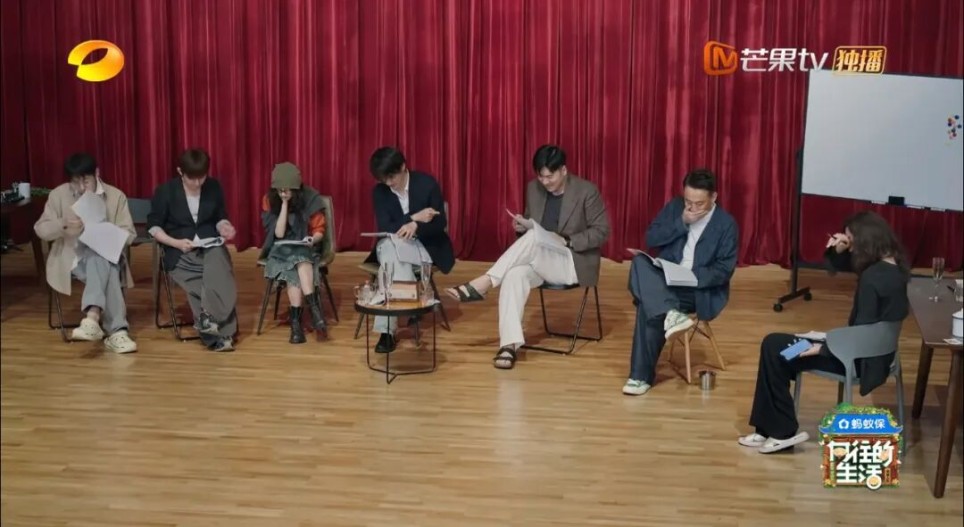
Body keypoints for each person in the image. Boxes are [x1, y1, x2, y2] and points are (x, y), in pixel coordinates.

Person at [738, 211, 910, 453]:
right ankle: (769, 429)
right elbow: (842, 267)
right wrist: (838, 248)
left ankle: (780, 431)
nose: (849, 247)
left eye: (851, 241)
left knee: (774, 346)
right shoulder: (893, 269)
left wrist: (823, 347)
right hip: (876, 357)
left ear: (865, 241)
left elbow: (862, 333)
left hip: (853, 360)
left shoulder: (872, 278)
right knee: (779, 351)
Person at [445, 145, 611, 369]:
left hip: (571, 260)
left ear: (563, 170)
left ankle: (485, 282)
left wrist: (567, 240)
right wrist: (522, 227)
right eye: (541, 176)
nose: (545, 182)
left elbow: (602, 231)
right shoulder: (534, 188)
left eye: (550, 177)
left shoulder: (586, 191)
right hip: (540, 258)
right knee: (514, 274)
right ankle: (509, 345)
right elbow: (534, 224)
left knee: (534, 238)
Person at [623, 169, 738, 395]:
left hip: (698, 289)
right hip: (667, 279)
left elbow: (724, 270)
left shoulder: (726, 224)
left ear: (714, 197)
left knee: (649, 304)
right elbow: (651, 238)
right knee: (639, 262)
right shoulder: (676, 208)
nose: (692, 208)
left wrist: (693, 277)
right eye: (688, 201)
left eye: (699, 203)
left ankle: (639, 377)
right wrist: (681, 222)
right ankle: (670, 313)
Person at [33, 153, 138, 353]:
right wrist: (62, 224)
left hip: (107, 253)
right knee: (107, 266)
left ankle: (92, 317)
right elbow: (41, 230)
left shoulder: (115, 195)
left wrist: (105, 231)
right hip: (71, 258)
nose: (81, 187)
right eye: (75, 182)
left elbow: (130, 235)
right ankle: (118, 332)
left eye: (86, 181)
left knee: (100, 257)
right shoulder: (58, 195)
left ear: (96, 174)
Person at [146, 148, 239, 352]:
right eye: (192, 178)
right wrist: (175, 243)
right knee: (210, 285)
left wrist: (224, 226)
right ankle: (223, 335)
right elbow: (153, 226)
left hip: (210, 246)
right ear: (180, 171)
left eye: (202, 177)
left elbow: (220, 217)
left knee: (218, 265)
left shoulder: (213, 187)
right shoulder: (166, 191)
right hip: (180, 251)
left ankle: (211, 324)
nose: (197, 183)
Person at [364, 146, 455, 353]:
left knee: (389, 266)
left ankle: (386, 332)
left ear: (403, 167)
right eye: (383, 179)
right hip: (391, 242)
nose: (388, 183)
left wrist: (416, 226)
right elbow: (386, 226)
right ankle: (408, 306)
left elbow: (439, 223)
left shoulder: (426, 183)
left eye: (391, 177)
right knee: (391, 254)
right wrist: (414, 217)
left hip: (425, 243)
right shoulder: (380, 191)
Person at [258, 162, 328, 344]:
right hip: (280, 250)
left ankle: (296, 326)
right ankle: (314, 312)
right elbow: (279, 233)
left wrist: (312, 239)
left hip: (305, 247)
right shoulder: (270, 199)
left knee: (299, 262)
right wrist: (284, 204)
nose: (283, 193)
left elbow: (319, 230)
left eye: (287, 191)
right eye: (280, 190)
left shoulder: (310, 198)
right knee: (295, 264)